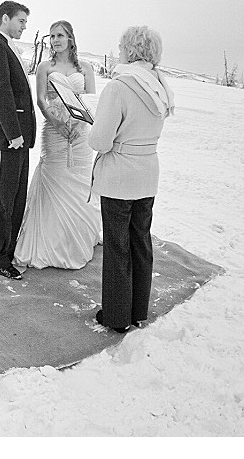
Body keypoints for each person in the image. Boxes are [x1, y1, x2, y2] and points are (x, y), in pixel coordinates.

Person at [88, 26, 174, 333]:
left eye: (122, 46)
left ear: (130, 50)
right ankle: (138, 311)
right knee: (141, 242)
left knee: (117, 247)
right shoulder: (160, 86)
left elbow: (100, 141)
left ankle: (116, 316)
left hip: (120, 175)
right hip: (148, 173)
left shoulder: (119, 87)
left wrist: (94, 128)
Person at [13, 20, 100, 270]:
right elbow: (40, 100)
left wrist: (79, 124)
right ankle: (50, 243)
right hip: (54, 131)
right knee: (57, 180)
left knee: (80, 182)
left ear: (70, 38)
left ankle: (77, 238)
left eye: (60, 35)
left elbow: (90, 101)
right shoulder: (44, 67)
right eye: (51, 36)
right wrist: (57, 123)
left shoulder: (85, 69)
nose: (55, 40)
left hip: (80, 134)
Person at [0, 1, 36, 280]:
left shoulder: (10, 48)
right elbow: (0, 93)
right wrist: (13, 134)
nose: (24, 26)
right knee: (4, 199)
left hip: (19, 140)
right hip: (6, 140)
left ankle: (7, 252)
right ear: (5, 18)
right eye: (21, 21)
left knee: (16, 199)